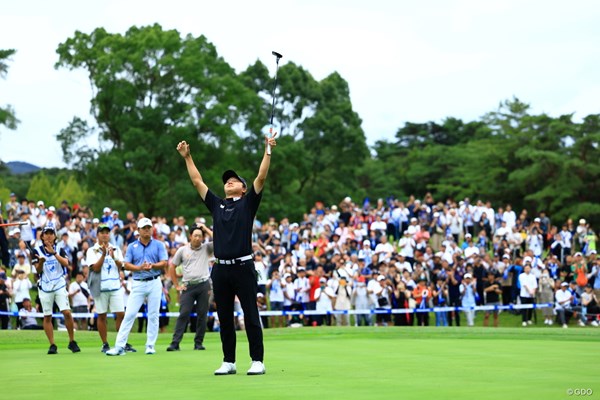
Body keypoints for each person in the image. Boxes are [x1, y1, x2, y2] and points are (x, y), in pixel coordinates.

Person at [177, 134, 276, 376]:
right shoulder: (217, 204)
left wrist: (268, 150)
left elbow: (261, 176)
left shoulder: (248, 202)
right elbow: (197, 181)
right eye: (227, 180)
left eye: (235, 180)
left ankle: (257, 360)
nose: (229, 182)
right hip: (220, 269)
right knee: (224, 316)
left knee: (250, 313)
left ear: (243, 188)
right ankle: (229, 361)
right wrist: (188, 157)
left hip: (243, 266)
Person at [106, 218, 168, 356]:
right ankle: (119, 346)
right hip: (138, 282)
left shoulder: (159, 245)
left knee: (153, 315)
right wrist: (139, 268)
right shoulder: (132, 246)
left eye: (149, 227)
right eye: (144, 228)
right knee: (130, 314)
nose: (147, 230)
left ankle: (150, 345)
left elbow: (164, 262)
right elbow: (126, 264)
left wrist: (152, 265)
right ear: (138, 230)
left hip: (154, 281)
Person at [32, 226, 80, 354]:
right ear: (42, 236)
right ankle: (52, 344)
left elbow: (66, 264)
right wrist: (41, 262)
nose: (48, 236)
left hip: (59, 284)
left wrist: (53, 253)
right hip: (45, 287)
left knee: (67, 313)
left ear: (54, 236)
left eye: (51, 233)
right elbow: (37, 270)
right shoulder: (36, 250)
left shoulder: (60, 249)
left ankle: (71, 341)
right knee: (47, 316)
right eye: (46, 234)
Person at [166, 223, 213, 351]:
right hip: (188, 286)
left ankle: (198, 343)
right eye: (195, 235)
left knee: (202, 314)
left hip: (204, 284)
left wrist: (205, 228)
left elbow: (219, 240)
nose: (198, 238)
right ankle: (175, 343)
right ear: (190, 236)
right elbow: (172, 266)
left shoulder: (206, 248)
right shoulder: (182, 250)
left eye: (200, 236)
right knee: (184, 313)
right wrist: (176, 285)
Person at [86, 223, 127, 353]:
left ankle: (120, 342)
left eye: (107, 232)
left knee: (120, 314)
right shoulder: (92, 250)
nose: (105, 234)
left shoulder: (115, 249)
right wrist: (104, 255)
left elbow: (121, 266)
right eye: (102, 232)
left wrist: (113, 257)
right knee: (102, 316)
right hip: (101, 287)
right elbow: (95, 268)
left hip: (115, 286)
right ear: (97, 234)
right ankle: (105, 343)